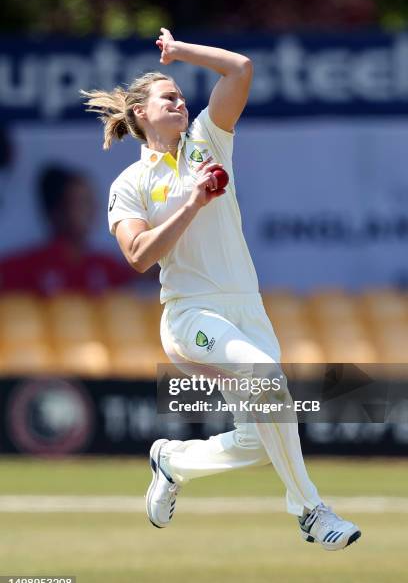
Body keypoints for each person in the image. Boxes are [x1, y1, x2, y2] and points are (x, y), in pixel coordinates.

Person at [82, 28, 361, 551]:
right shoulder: (129, 184)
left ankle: (171, 460)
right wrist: (192, 203)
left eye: (182, 94)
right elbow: (139, 257)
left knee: (262, 438)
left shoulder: (210, 139)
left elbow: (240, 69)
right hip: (189, 316)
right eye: (169, 96)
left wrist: (181, 53)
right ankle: (310, 510)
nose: (181, 101)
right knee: (269, 380)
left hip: (246, 309)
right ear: (141, 113)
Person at [0, 164, 136, 295]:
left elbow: (140, 273)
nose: (90, 211)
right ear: (57, 210)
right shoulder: (28, 266)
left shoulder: (106, 264)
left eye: (91, 202)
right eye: (80, 203)